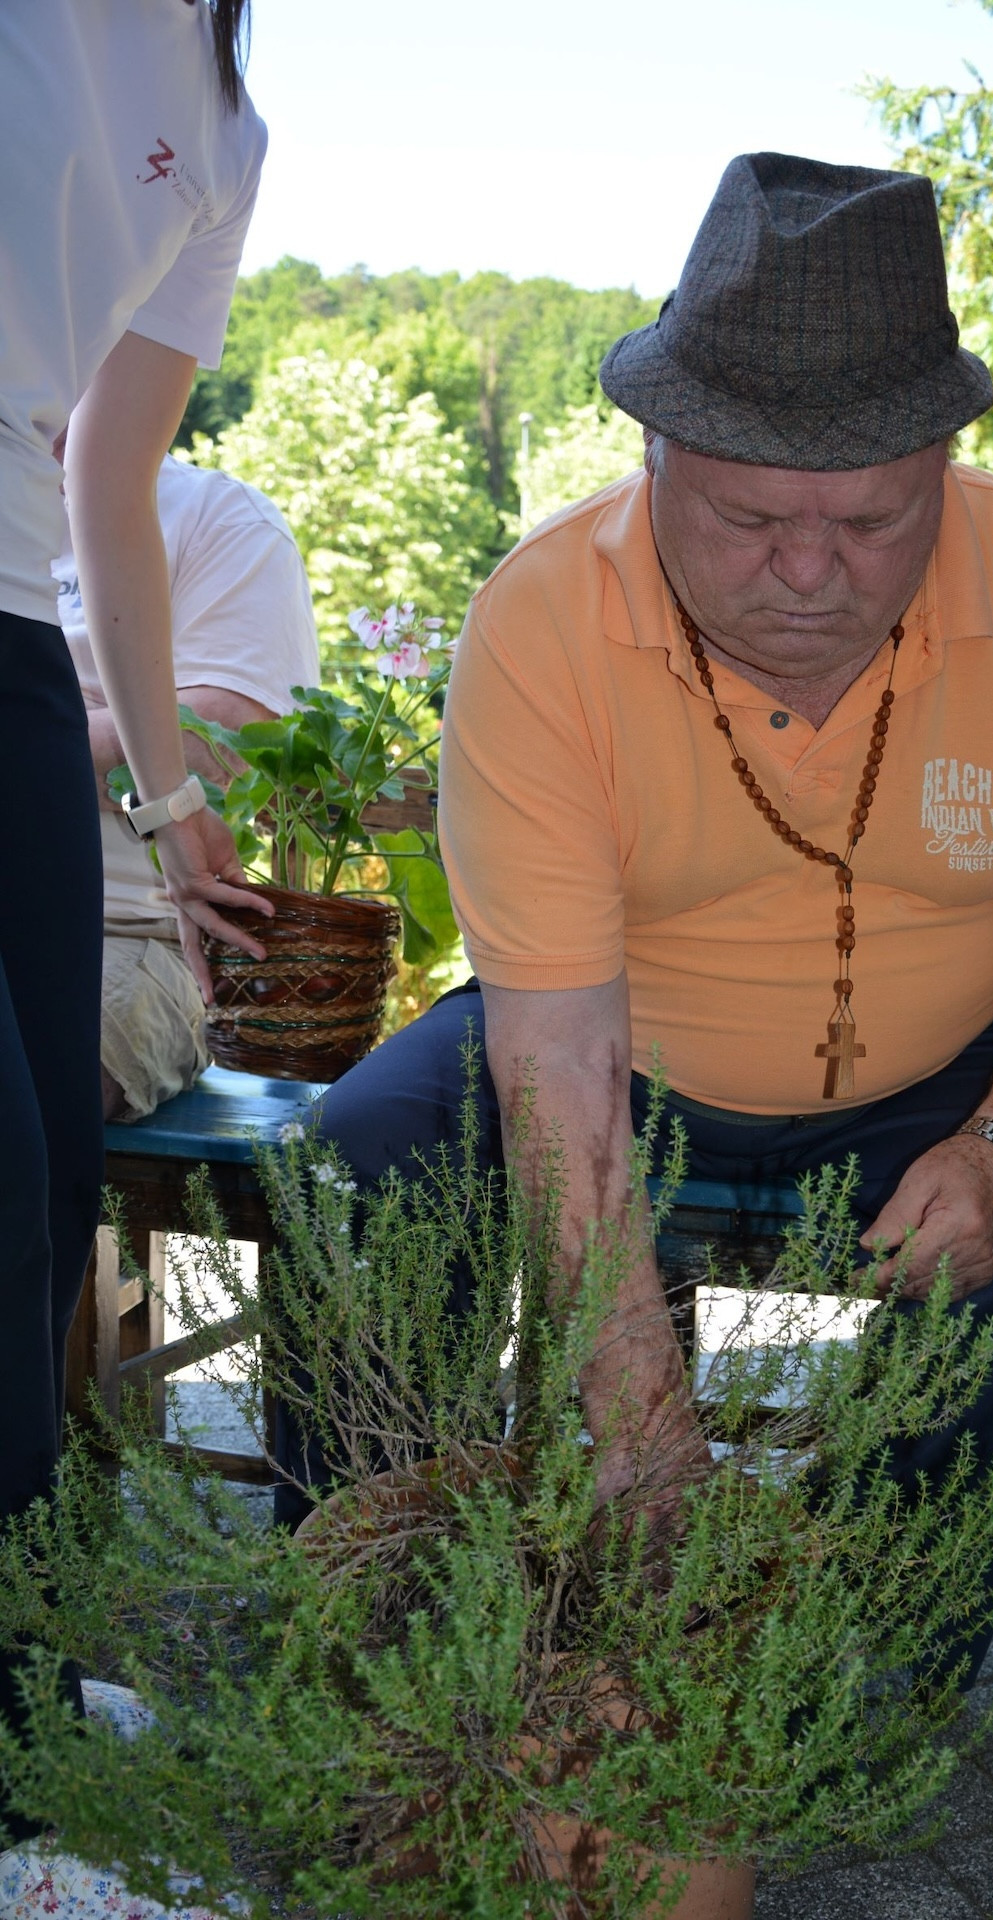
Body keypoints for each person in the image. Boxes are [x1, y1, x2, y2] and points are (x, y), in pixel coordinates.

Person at [302, 151, 993, 1686]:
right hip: (614, 1056)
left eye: (874, 520)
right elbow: (556, 1051)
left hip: (934, 1085)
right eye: (750, 516)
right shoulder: (542, 617)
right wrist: (632, 1401)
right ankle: (392, 1648)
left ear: (943, 463)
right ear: (654, 452)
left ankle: (855, 1661)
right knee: (356, 1167)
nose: (809, 574)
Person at [0, 3, 271, 1912]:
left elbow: (113, 474)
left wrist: (170, 803)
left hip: (16, 630)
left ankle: (13, 1689)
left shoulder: (221, 120)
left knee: (46, 1203)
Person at [56, 456, 321, 1122]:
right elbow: (172, 738)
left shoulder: (222, 520)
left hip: (131, 938)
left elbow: (219, 746)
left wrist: (32, 727)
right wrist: (106, 721)